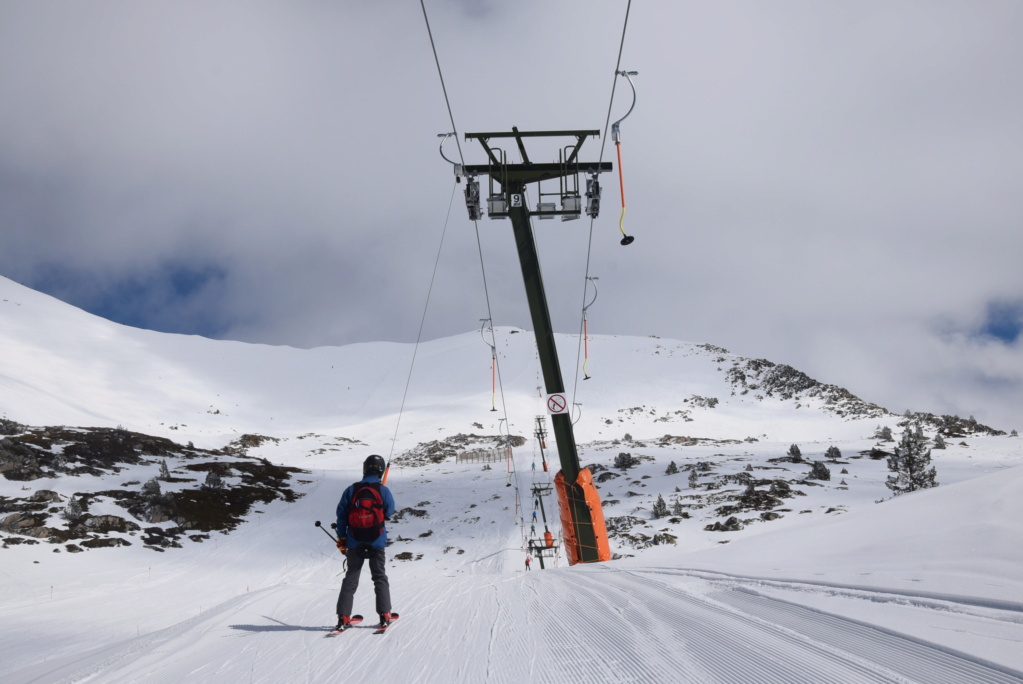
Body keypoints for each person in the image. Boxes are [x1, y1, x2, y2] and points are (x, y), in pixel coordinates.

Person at [334, 454, 396, 632]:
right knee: (379, 577)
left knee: (351, 578)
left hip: (354, 541)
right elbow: (390, 510)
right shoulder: (383, 490)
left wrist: (342, 539)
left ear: (364, 468)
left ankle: (343, 617)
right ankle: (385, 614)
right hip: (377, 541)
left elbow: (341, 517)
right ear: (381, 470)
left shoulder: (351, 490)